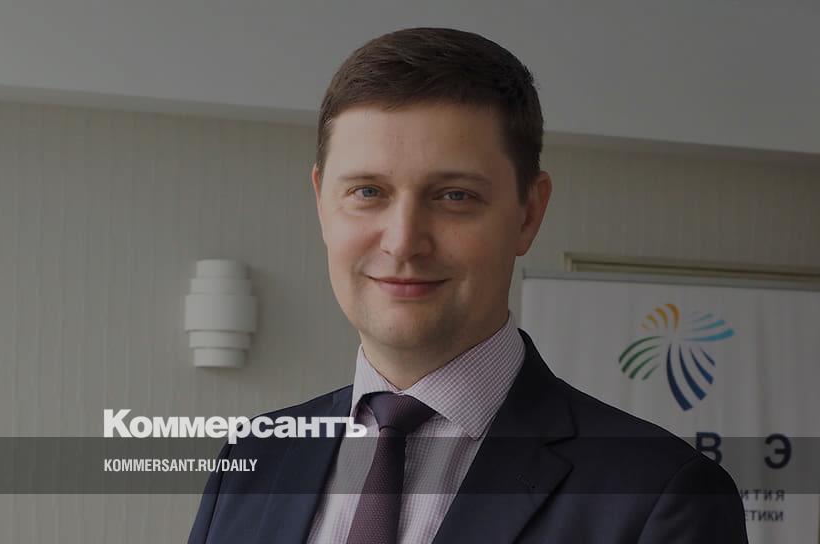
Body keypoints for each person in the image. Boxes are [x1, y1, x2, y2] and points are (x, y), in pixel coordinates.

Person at [188, 27, 748, 544]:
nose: (403, 242)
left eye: (454, 195)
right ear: (321, 203)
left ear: (529, 213)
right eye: (367, 192)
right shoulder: (252, 460)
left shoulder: (661, 496)